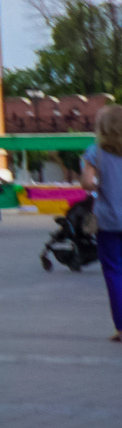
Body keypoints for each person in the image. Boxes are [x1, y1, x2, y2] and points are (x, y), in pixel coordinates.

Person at [82, 103, 122, 344]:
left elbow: (87, 183)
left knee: (114, 272)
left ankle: (121, 327)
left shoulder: (94, 151)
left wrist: (101, 185)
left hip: (108, 220)